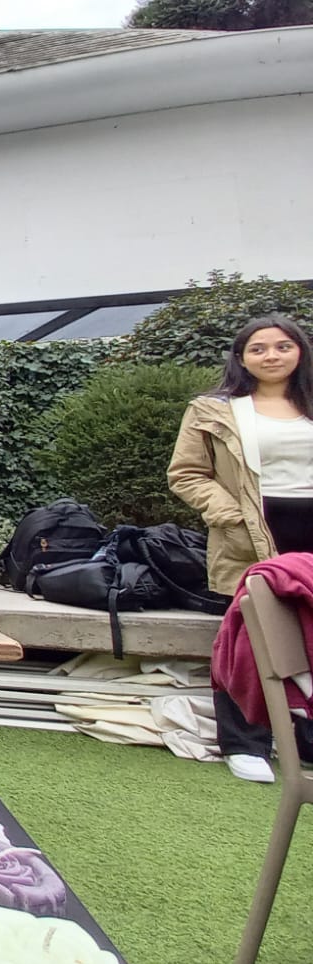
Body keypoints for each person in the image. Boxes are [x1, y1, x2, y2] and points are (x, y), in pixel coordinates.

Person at [169, 315, 313, 782]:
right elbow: (186, 473)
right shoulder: (216, 409)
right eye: (259, 348)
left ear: (300, 351)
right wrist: (227, 514)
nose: (271, 355)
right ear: (241, 357)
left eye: (282, 346)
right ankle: (245, 742)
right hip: (251, 532)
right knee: (245, 637)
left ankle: (305, 742)